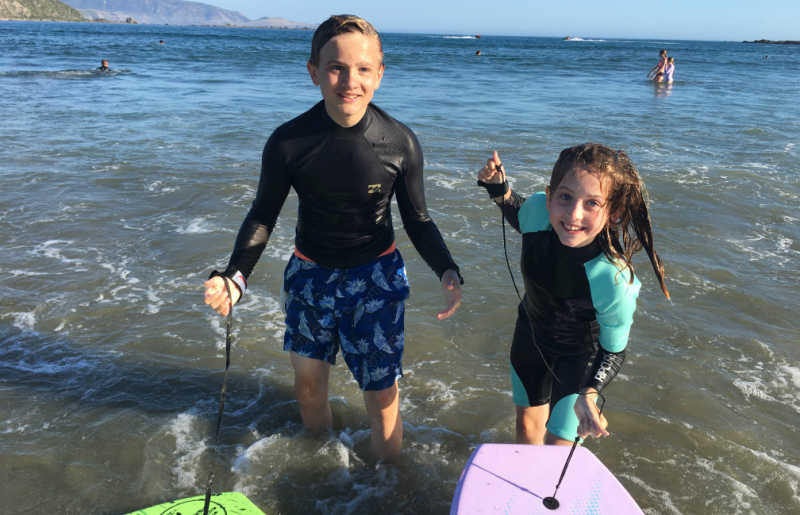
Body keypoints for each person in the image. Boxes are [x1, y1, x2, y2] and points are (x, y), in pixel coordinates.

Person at [203, 14, 463, 461]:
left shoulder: (400, 142)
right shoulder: (288, 142)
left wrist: (446, 268)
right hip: (310, 276)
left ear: (380, 74)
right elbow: (263, 216)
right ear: (314, 72)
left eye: (363, 68)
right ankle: (321, 468)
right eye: (336, 67)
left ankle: (388, 481)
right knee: (308, 389)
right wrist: (235, 277)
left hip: (377, 280)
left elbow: (418, 220)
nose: (350, 80)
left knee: (381, 397)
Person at [476, 144, 670, 446]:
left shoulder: (612, 278)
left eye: (592, 203)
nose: (573, 215)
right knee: (526, 431)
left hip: (579, 359)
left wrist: (589, 393)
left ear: (614, 213)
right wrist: (497, 188)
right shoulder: (539, 211)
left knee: (557, 449)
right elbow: (518, 213)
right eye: (565, 197)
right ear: (550, 195)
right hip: (530, 337)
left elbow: (614, 350)